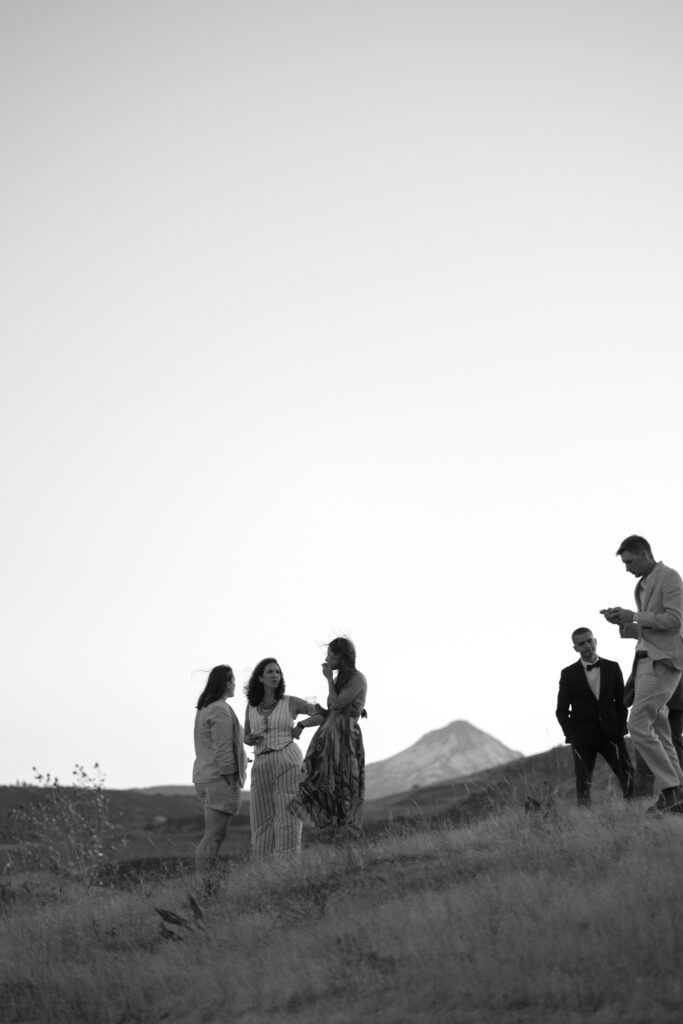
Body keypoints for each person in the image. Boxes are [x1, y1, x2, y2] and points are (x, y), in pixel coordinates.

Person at [600, 534, 683, 812]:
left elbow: (675, 620)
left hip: (664, 664)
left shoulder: (669, 577)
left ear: (645, 553)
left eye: (630, 561)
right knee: (660, 731)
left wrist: (634, 615)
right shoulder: (642, 586)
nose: (627, 568)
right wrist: (622, 622)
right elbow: (649, 630)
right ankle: (678, 793)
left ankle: (671, 789)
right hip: (644, 664)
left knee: (636, 725)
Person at [290, 637, 368, 839]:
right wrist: (310, 718)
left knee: (344, 785)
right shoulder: (338, 680)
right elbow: (332, 711)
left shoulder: (357, 679)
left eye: (331, 655)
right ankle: (330, 832)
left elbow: (339, 703)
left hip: (345, 739)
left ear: (341, 657)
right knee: (321, 784)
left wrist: (327, 680)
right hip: (327, 739)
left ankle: (346, 835)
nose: (327, 658)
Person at [243, 658, 316, 859]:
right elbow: (246, 737)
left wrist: (302, 724)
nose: (275, 675)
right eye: (270, 672)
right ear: (260, 677)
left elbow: (320, 713)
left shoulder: (290, 701)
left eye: (278, 672)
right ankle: (263, 871)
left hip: (288, 758)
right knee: (260, 819)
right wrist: (249, 739)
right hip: (261, 762)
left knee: (288, 817)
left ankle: (288, 868)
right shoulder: (251, 706)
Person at [555, 628, 633, 806]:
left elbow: (622, 701)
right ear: (575, 648)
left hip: (612, 733)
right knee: (583, 783)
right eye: (581, 643)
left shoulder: (612, 667)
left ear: (595, 641)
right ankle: (585, 823)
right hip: (583, 737)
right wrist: (573, 735)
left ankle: (634, 810)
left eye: (589, 641)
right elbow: (561, 710)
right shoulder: (568, 674)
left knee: (627, 774)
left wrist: (621, 729)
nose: (587, 645)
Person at [192, 664, 247, 876]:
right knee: (214, 835)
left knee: (212, 835)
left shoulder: (205, 708)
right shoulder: (219, 709)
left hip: (205, 776)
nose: (235, 685)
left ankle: (206, 880)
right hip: (219, 779)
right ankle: (205, 882)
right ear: (226, 683)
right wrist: (231, 775)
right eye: (233, 681)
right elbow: (223, 748)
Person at [624, 667, 683, 797]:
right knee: (671, 747)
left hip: (662, 699)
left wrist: (627, 695)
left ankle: (645, 796)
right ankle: (670, 794)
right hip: (672, 699)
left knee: (649, 749)